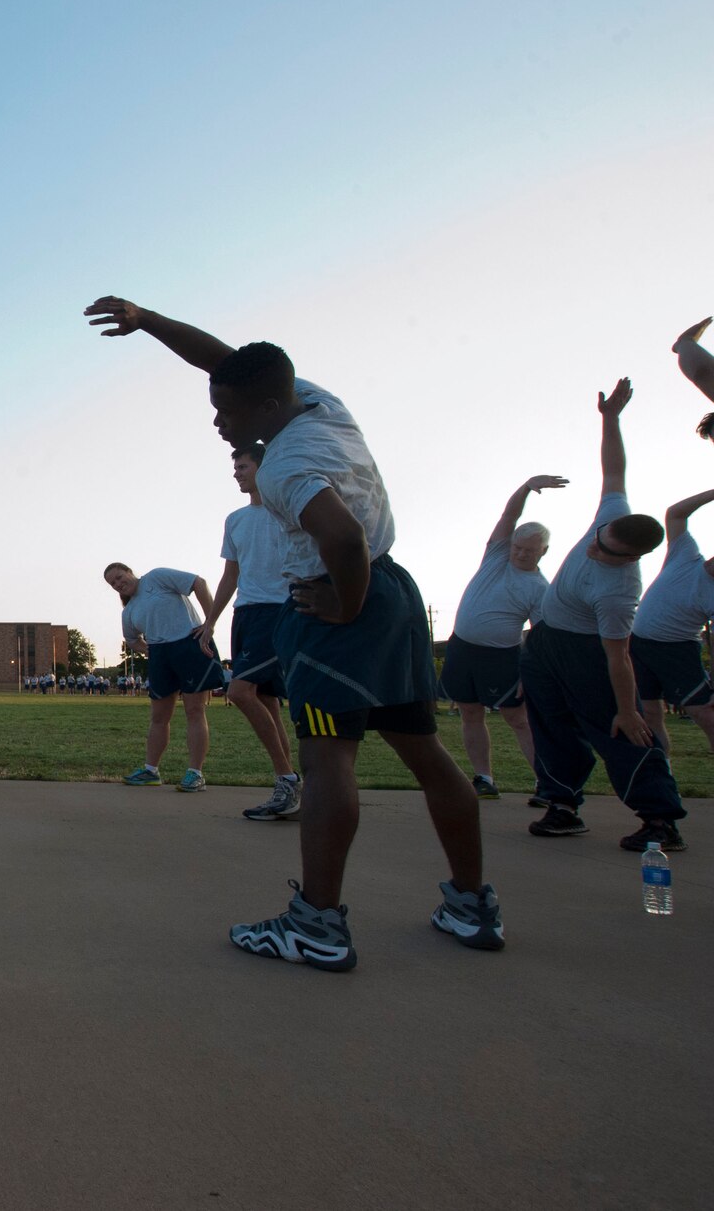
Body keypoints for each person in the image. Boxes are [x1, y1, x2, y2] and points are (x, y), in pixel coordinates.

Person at [87, 295, 500, 969]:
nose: (218, 421)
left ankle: (315, 925)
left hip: (338, 601)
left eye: (227, 412)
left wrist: (341, 604)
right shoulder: (318, 404)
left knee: (328, 759)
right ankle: (471, 903)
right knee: (426, 754)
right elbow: (227, 362)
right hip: (394, 594)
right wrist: (149, 322)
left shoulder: (282, 465)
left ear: (267, 411)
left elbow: (342, 536)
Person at [522, 380, 686, 850]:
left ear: (629, 558)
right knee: (549, 725)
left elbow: (619, 658)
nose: (593, 545)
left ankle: (660, 819)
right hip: (544, 642)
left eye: (604, 549)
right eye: (599, 536)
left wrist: (629, 708)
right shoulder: (611, 517)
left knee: (617, 728)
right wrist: (610, 418)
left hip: (585, 652)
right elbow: (614, 470)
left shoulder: (619, 592)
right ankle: (562, 806)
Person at [439, 476, 564, 799]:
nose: (521, 554)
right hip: (462, 647)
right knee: (469, 711)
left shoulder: (540, 589)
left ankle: (547, 783)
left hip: (501, 657)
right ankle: (484, 778)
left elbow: (541, 638)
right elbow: (509, 518)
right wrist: (525, 488)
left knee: (517, 718)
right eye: (518, 547)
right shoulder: (497, 556)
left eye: (529, 550)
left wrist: (527, 672)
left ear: (543, 551)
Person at [199, 445, 300, 820]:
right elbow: (230, 574)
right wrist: (211, 621)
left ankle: (287, 778)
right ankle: (288, 786)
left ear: (264, 466)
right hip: (246, 614)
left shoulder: (288, 511)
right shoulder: (236, 520)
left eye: (243, 466)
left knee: (240, 692)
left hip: (280, 613)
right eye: (235, 467)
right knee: (268, 702)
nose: (237, 473)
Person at [106, 561, 224, 791]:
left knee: (194, 710)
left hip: (189, 644)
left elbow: (199, 583)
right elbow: (131, 639)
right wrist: (148, 650)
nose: (118, 584)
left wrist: (210, 623)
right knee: (159, 717)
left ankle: (195, 773)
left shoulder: (157, 578)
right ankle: (151, 771)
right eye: (113, 583)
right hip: (161, 654)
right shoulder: (129, 611)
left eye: (120, 577)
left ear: (130, 572)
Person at [630, 489, 714, 761]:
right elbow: (675, 514)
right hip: (638, 644)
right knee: (649, 711)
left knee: (703, 711)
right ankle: (661, 770)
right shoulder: (686, 555)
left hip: (677, 651)